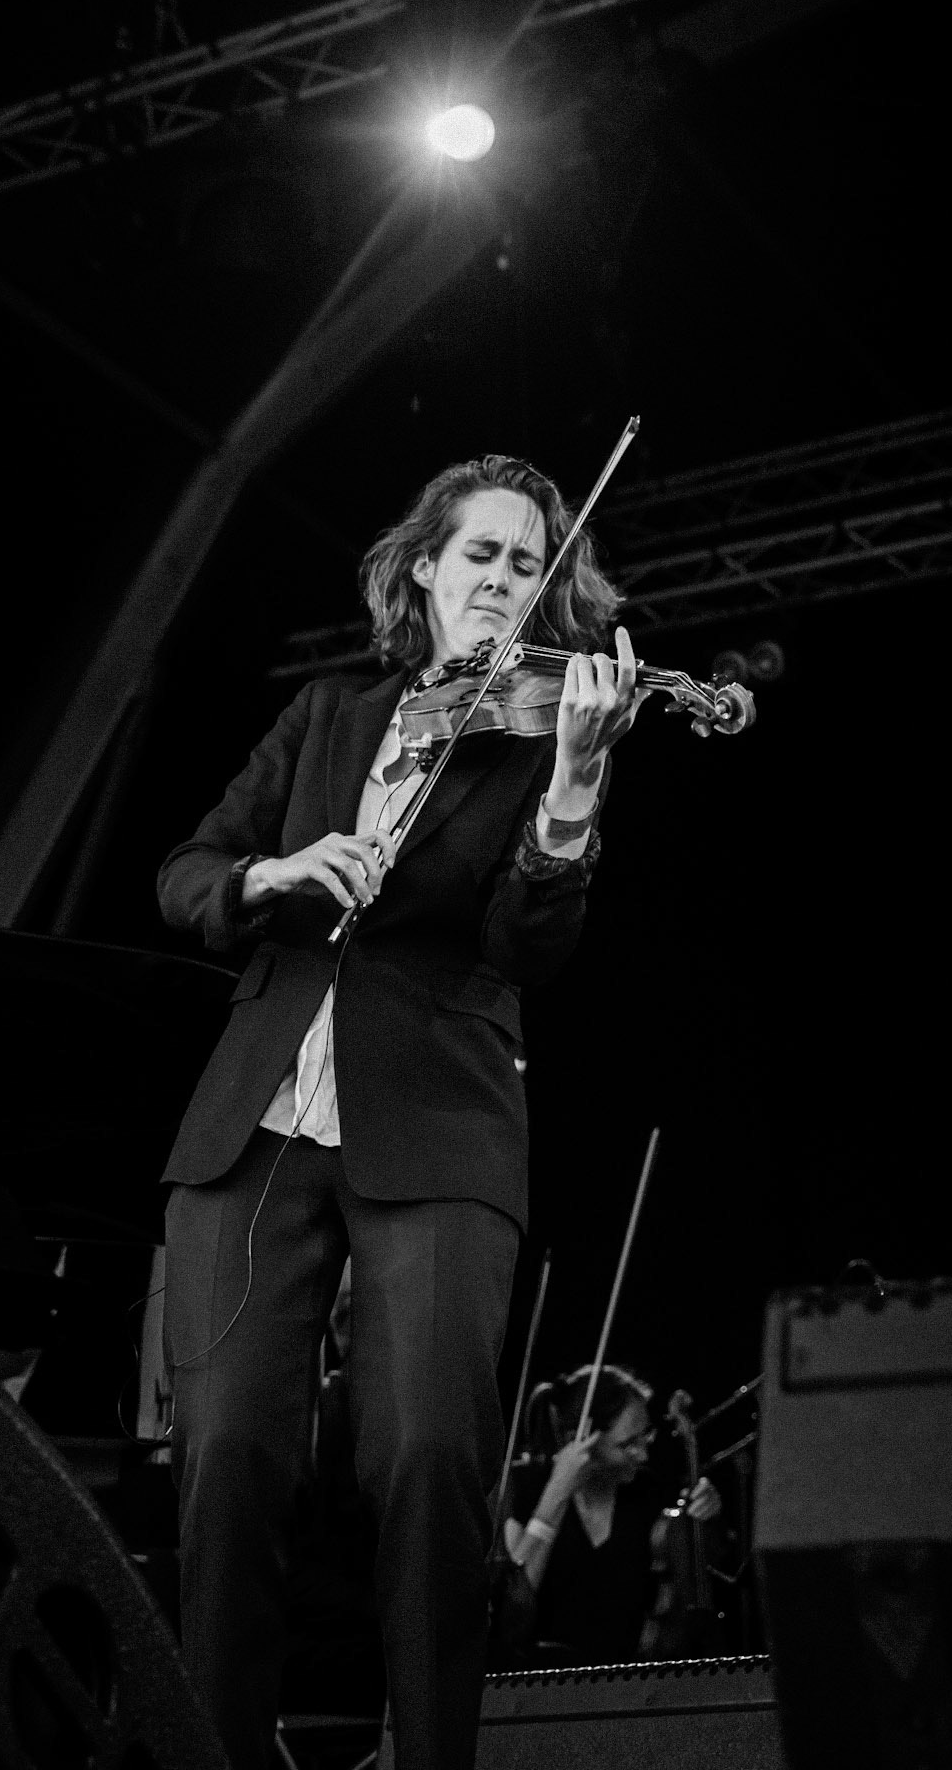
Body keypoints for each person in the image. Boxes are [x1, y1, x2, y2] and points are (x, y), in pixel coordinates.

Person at [155, 453, 648, 1770]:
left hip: (437, 1129)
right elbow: (184, 873)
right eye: (478, 552)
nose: (500, 577)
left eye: (526, 561)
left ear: (550, 592)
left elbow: (529, 947)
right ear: (423, 569)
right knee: (224, 1465)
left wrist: (573, 793)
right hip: (251, 1132)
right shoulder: (324, 719)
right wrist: (271, 872)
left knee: (430, 1461)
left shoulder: (543, 731)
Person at [498, 1364, 725, 1667]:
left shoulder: (647, 1491)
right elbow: (511, 1611)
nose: (643, 1454)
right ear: (579, 1438)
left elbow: (703, 1575)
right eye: (628, 1444)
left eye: (646, 1436)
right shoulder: (523, 1487)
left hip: (628, 1683)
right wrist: (556, 1494)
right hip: (537, 1685)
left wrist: (708, 1515)